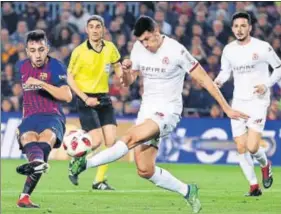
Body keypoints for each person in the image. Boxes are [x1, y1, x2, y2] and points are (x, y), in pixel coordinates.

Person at [68, 16, 249, 213]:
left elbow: (205, 80)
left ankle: (85, 163)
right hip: (146, 109)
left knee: (129, 137)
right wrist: (127, 72)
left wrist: (226, 108)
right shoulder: (138, 49)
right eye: (141, 41)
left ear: (156, 32)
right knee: (144, 169)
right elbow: (128, 82)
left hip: (168, 111)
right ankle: (188, 191)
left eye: (147, 39)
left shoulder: (176, 51)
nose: (145, 44)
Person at [215, 12, 280, 196]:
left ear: (250, 27)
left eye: (243, 26)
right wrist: (218, 81)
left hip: (258, 101)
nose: (239, 29)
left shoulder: (262, 47)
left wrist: (266, 85)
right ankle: (253, 186)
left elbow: (278, 68)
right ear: (232, 28)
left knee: (252, 147)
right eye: (236, 26)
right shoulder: (228, 49)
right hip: (238, 101)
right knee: (241, 147)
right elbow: (225, 71)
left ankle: (265, 164)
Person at [67, 15, 128, 190]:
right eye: (91, 27)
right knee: (95, 141)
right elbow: (70, 78)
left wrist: (121, 75)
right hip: (85, 97)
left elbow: (116, 64)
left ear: (103, 29)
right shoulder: (79, 51)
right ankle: (76, 161)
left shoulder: (110, 47)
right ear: (87, 30)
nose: (95, 30)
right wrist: (85, 98)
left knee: (111, 143)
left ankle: (99, 180)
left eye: (98, 26)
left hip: (103, 97)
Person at [16, 30, 72, 208]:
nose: (37, 55)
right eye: (33, 50)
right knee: (28, 139)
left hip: (51, 115)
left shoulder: (56, 66)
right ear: (27, 51)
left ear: (47, 48)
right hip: (30, 116)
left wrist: (41, 83)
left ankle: (37, 163)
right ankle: (24, 196)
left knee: (45, 138)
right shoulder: (23, 66)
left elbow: (67, 96)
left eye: (41, 49)